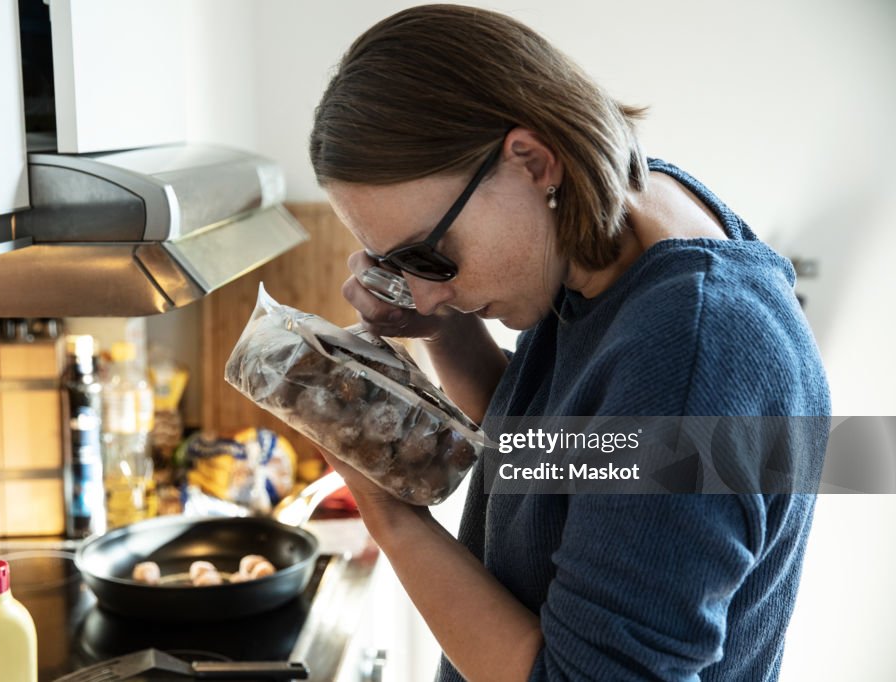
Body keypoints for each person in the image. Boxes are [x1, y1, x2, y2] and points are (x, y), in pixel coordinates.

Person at [308, 5, 830, 681]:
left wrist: (388, 514)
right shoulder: (617, 225)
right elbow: (565, 462)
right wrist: (445, 327)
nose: (423, 290)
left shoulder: (691, 352)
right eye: (395, 266)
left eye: (428, 256)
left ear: (530, 162)